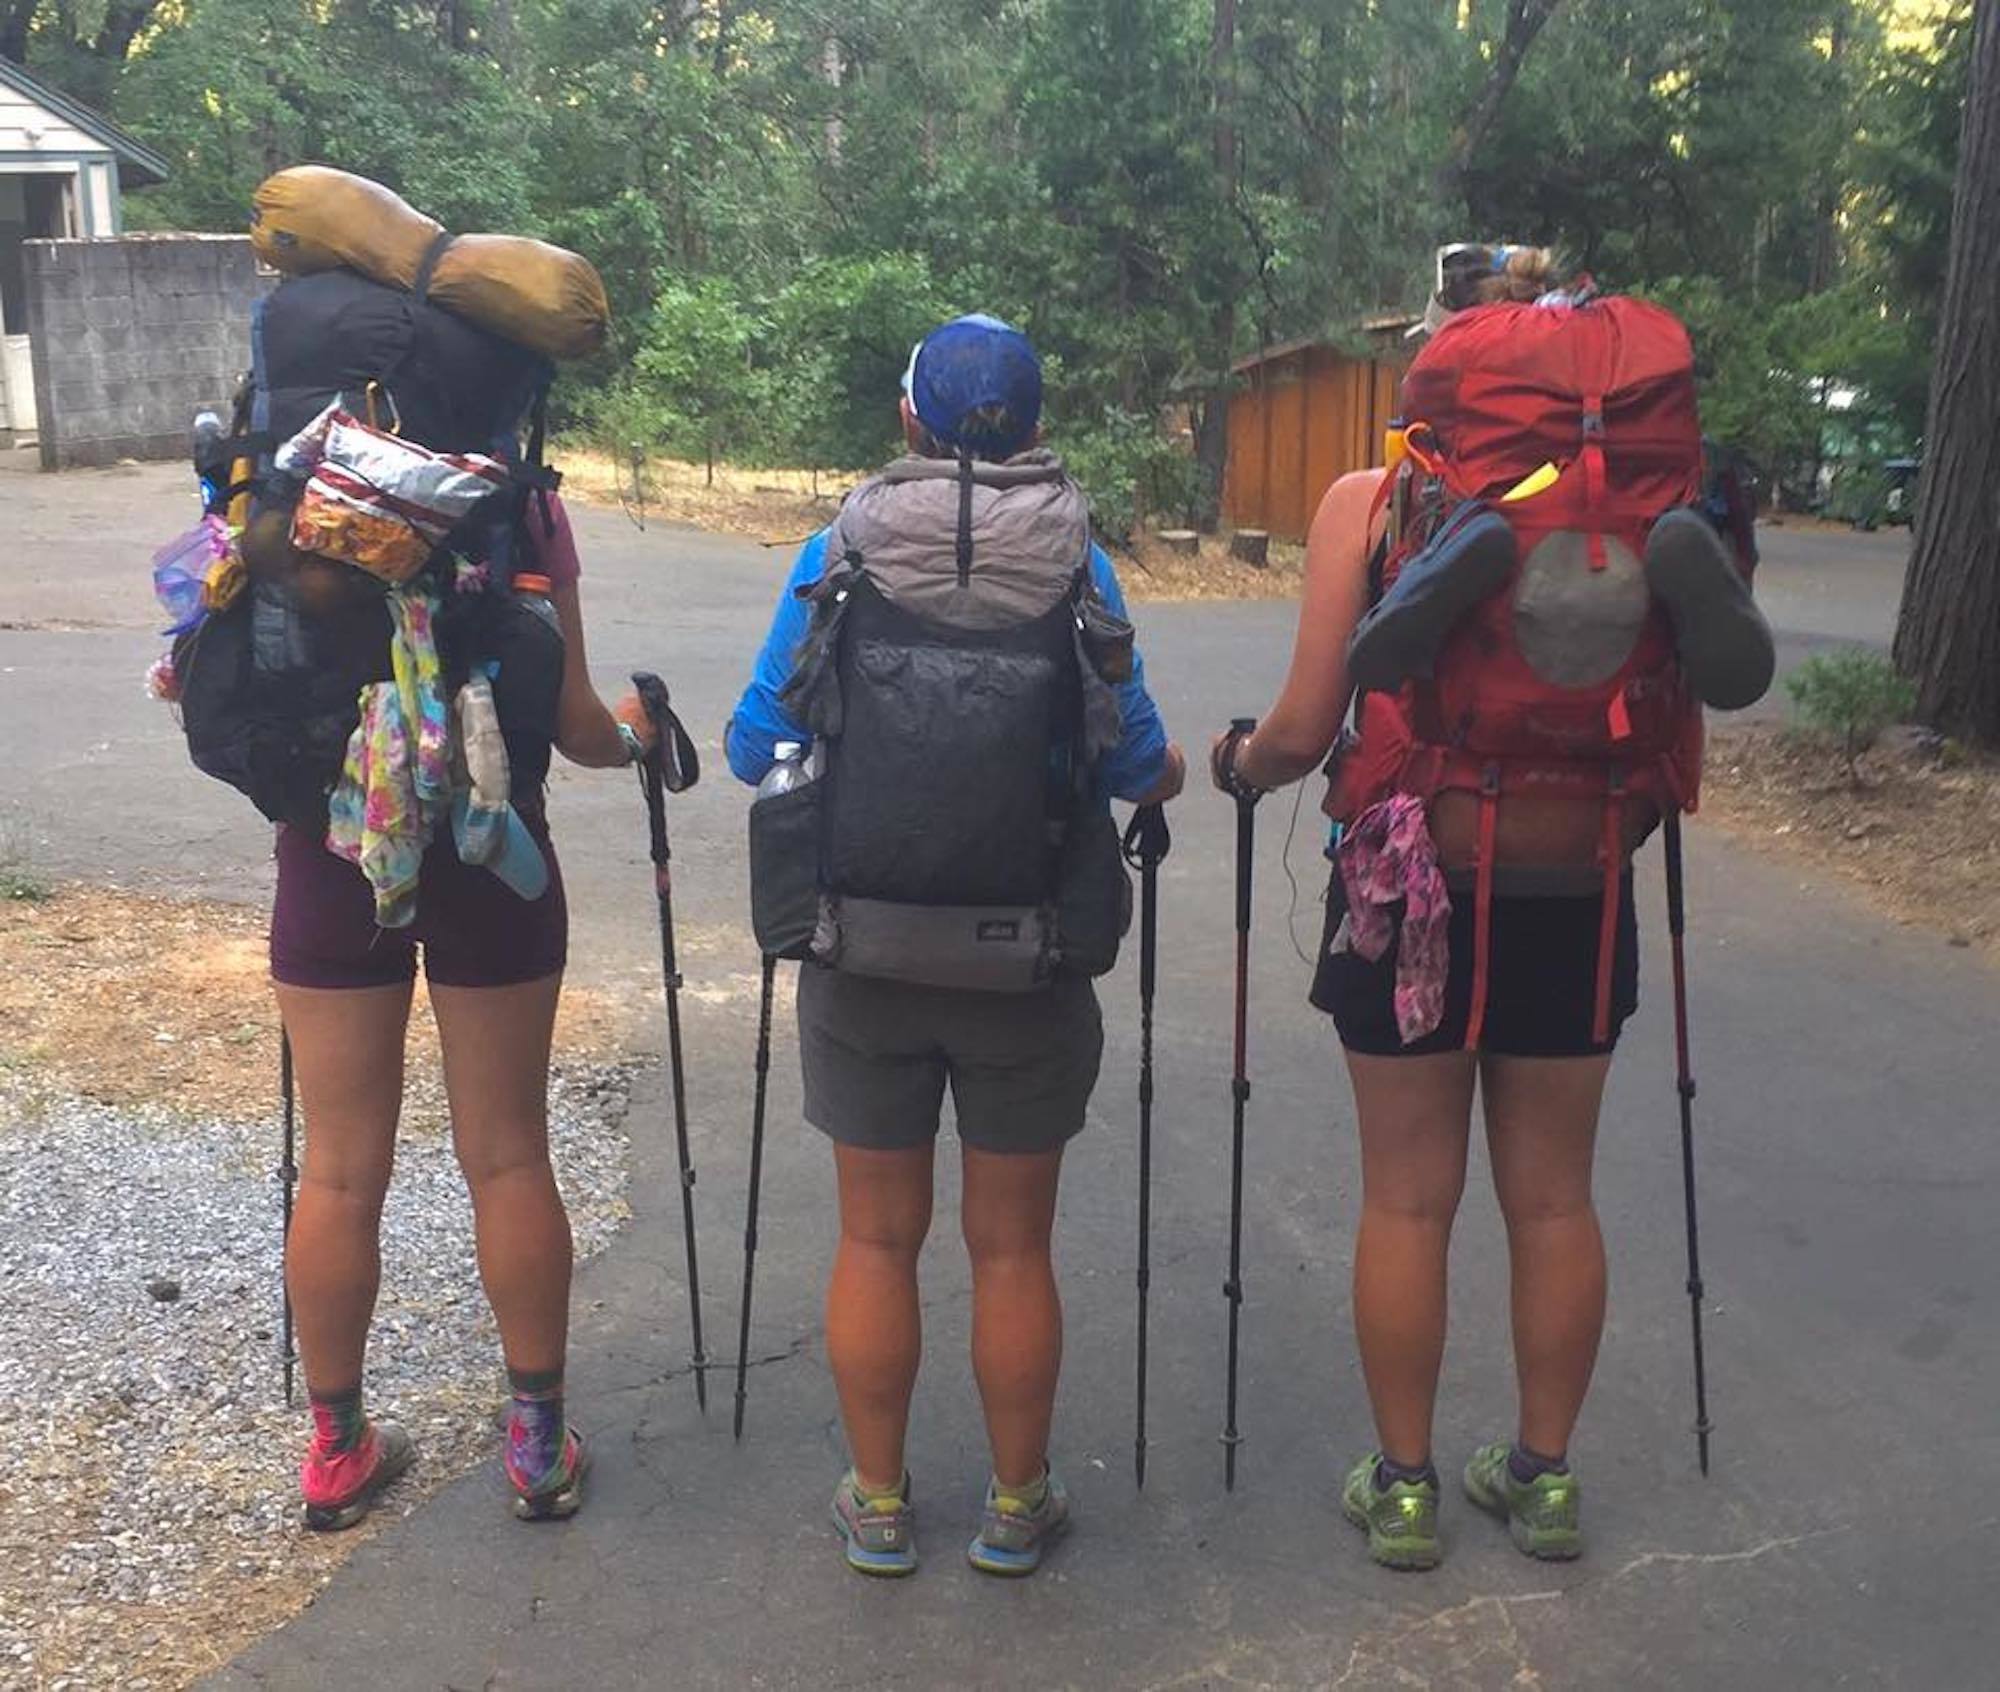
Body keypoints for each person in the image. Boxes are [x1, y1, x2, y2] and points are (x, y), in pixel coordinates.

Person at [1212, 247, 1771, 1571]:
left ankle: (1403, 1488)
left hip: (1414, 871)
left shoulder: (1372, 499)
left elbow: (1301, 729)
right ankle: (1545, 1479)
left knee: (1408, 1200)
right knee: (1554, 1201)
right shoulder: (1646, 508)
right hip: (1576, 877)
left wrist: (1241, 769)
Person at [728, 314, 1185, 1579]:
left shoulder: (841, 552)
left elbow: (749, 738)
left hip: (859, 950)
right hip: (1027, 956)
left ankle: (877, 1503)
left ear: (909, 424)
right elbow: (1137, 758)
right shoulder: (1078, 564)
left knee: (874, 1238)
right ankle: (1015, 1503)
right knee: (1011, 1247)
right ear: (1032, 428)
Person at [274, 491, 661, 1530]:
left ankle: (337, 1448)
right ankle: (536, 1448)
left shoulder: (299, 491)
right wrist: (637, 738)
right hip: (493, 845)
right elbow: (578, 727)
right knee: (507, 1153)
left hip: (333, 847)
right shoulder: (520, 503)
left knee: (341, 1164)